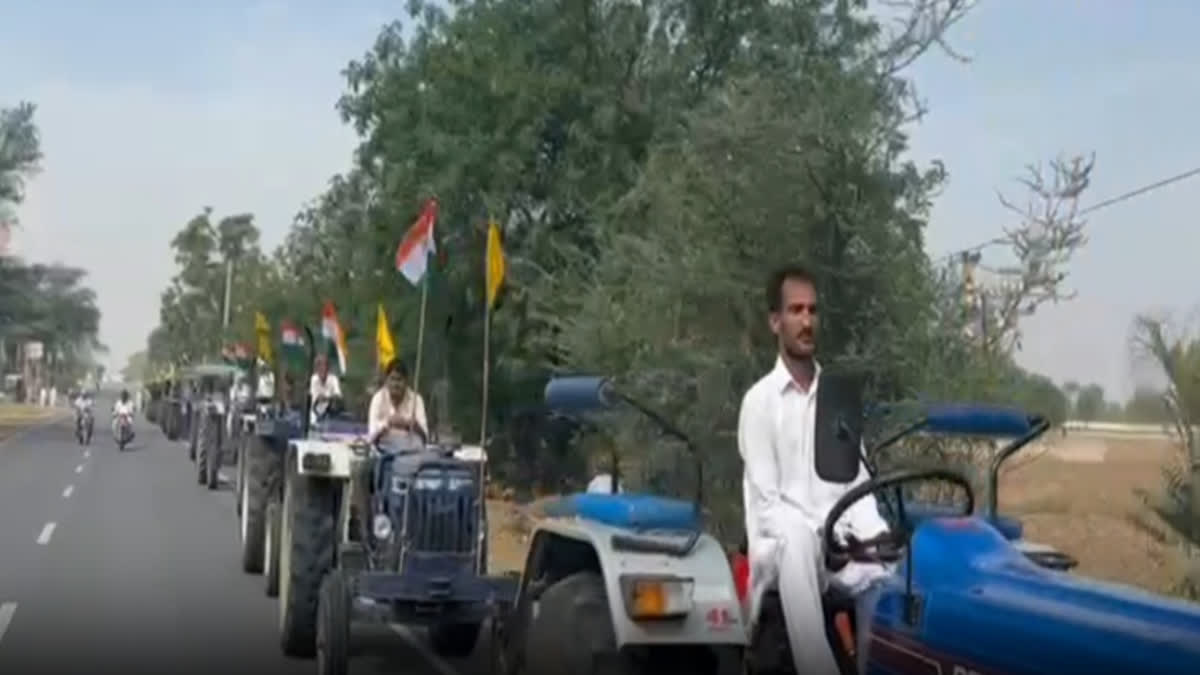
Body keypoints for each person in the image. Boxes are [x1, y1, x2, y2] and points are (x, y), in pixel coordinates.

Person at [738, 264, 892, 675]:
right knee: (795, 536)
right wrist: (822, 532)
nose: (806, 321)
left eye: (812, 311)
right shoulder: (759, 403)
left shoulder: (837, 400)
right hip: (783, 550)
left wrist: (875, 537)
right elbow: (768, 507)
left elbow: (856, 486)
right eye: (795, 311)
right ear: (775, 321)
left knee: (891, 569)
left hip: (837, 548)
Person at [367, 358, 428, 449]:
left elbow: (425, 438)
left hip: (411, 451)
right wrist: (388, 423)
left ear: (406, 381)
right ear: (386, 380)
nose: (395, 384)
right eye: (392, 379)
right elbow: (371, 436)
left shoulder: (417, 400)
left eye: (399, 380)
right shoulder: (378, 399)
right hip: (384, 451)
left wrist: (411, 425)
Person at [309, 354, 343, 421]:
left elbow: (338, 396)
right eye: (319, 366)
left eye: (324, 366)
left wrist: (326, 398)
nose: (322, 369)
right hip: (316, 412)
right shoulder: (313, 379)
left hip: (332, 413)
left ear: (328, 368)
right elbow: (315, 399)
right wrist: (327, 398)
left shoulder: (333, 379)